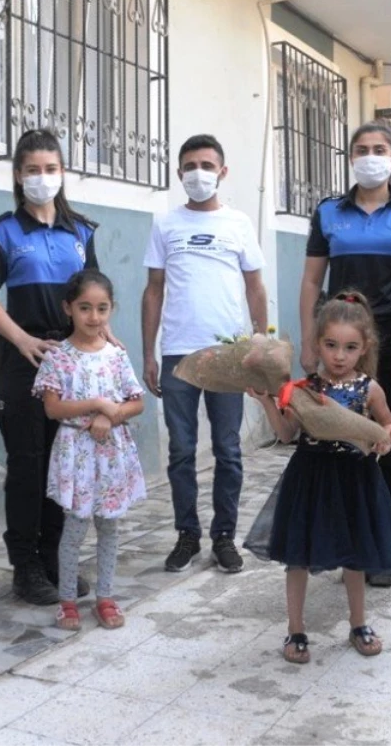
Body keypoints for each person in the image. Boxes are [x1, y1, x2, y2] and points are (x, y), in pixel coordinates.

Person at [300, 122, 391, 588]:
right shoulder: (327, 214)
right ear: (350, 157)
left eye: (379, 149)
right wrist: (307, 340)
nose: (370, 156)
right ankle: (349, 543)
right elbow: (312, 282)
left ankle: (385, 549)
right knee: (343, 449)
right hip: (342, 343)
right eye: (362, 149)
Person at [0, 129, 103, 605]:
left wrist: (104, 339)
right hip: (21, 362)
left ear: (62, 173)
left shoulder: (82, 231)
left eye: (51, 169)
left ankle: (54, 558)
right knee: (27, 465)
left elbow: (93, 295)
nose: (42, 178)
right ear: (18, 175)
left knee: (62, 464)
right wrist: (23, 338)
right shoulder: (3, 232)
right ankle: (25, 566)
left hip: (71, 365)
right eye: (33, 170)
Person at [245, 291, 391, 663]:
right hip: (310, 479)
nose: (339, 356)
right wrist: (267, 399)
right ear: (317, 344)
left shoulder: (369, 388)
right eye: (331, 345)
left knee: (356, 556)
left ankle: (358, 623)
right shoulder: (304, 390)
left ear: (364, 348)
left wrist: (385, 440)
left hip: (355, 480)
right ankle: (295, 630)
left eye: (350, 347)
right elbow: (285, 434)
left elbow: (390, 424)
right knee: (297, 556)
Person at [141, 134, 268, 574]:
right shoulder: (165, 225)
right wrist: (149, 354)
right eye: (190, 165)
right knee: (181, 451)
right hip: (177, 355)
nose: (199, 173)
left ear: (223, 171)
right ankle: (187, 535)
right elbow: (153, 291)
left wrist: (260, 344)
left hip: (228, 356)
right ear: (179, 174)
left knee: (228, 450)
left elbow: (255, 287)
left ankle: (224, 537)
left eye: (207, 164)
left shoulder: (238, 224)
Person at [33, 270, 146, 631]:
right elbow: (52, 408)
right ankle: (67, 602)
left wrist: (110, 419)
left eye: (101, 308)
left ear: (111, 309)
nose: (93, 317)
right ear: (68, 308)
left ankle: (106, 597)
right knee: (76, 527)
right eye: (85, 308)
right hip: (76, 452)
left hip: (111, 453)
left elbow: (135, 402)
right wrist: (96, 404)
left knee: (109, 526)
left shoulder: (116, 356)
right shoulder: (58, 357)